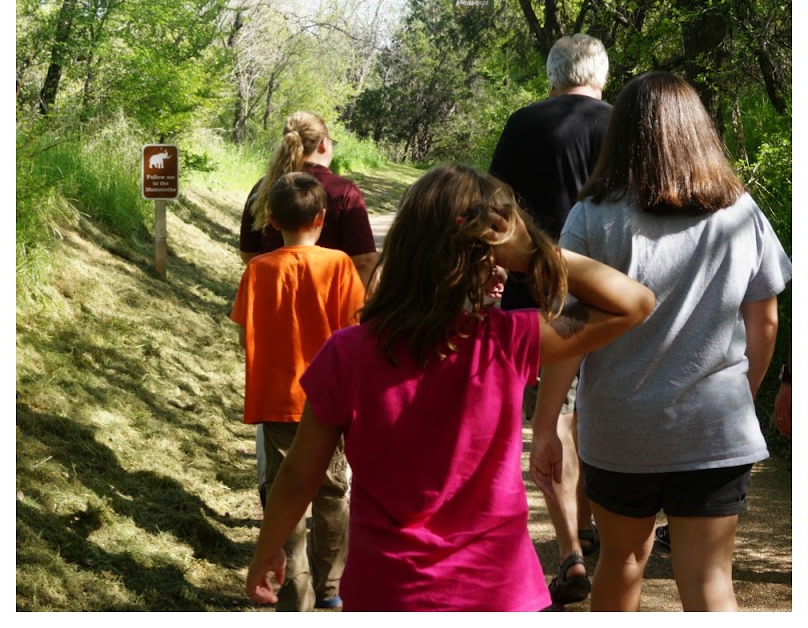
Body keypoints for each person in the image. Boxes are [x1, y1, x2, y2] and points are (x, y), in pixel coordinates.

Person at [243, 166, 654, 613]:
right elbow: (635, 303)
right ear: (454, 259)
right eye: (489, 259)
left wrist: (269, 546)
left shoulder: (349, 353)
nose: (502, 274)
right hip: (499, 593)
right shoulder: (506, 340)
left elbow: (299, 475)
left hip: (387, 593)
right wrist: (533, 252)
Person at [532, 71, 792, 613]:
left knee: (622, 561)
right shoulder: (740, 213)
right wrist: (743, 391)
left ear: (622, 134)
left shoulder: (592, 216)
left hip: (621, 429)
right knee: (710, 578)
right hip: (715, 426)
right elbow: (765, 321)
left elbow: (569, 331)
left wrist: (545, 428)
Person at [488, 33, 613, 602]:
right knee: (596, 406)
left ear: (552, 75)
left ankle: (569, 550)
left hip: (532, 285)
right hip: (611, 286)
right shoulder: (623, 125)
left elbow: (495, 207)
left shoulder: (523, 124)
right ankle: (598, 528)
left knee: (552, 414)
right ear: (602, 75)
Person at [232, 173, 364, 612]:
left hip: (277, 399)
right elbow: (355, 329)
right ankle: (332, 591)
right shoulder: (340, 265)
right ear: (323, 218)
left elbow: (243, 335)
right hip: (330, 399)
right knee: (331, 493)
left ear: (271, 220)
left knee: (284, 496)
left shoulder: (258, 270)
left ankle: (294, 595)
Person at [241, 112, 378, 291]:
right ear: (323, 144)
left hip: (276, 306)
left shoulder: (264, 188)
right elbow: (364, 262)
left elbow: (249, 254)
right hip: (331, 307)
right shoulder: (344, 191)